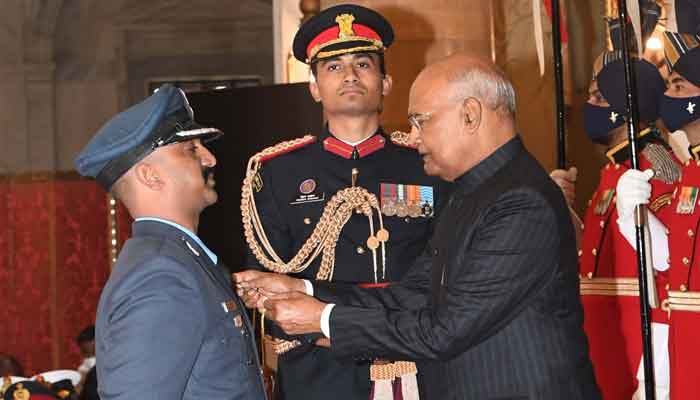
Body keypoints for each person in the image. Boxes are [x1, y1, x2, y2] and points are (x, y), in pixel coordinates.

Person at [236, 54, 600, 399]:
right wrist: (300, 286)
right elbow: (410, 294)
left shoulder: (519, 202)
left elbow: (444, 331)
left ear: (470, 115)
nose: (414, 135)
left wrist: (322, 317)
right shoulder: (472, 192)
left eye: (421, 120)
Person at [242, 4, 448, 400]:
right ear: (315, 87)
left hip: (418, 371)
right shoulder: (276, 173)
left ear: (386, 82)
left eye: (363, 64)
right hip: (319, 377)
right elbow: (266, 294)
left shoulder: (428, 165)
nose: (350, 75)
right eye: (334, 67)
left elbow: (443, 281)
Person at [74, 84, 265, 400]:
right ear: (150, 176)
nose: (210, 159)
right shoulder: (161, 277)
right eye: (191, 149)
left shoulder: (180, 262)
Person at [549, 15, 679, 399]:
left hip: (640, 333)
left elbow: (673, 256)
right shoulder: (613, 170)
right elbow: (595, 253)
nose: (589, 105)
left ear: (626, 105)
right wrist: (563, 212)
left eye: (599, 98)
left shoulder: (657, 161)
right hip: (605, 326)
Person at [616, 3, 700, 398]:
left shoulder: (674, 165)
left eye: (679, 86)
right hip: (680, 346)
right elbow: (674, 262)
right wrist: (636, 218)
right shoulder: (691, 172)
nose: (668, 95)